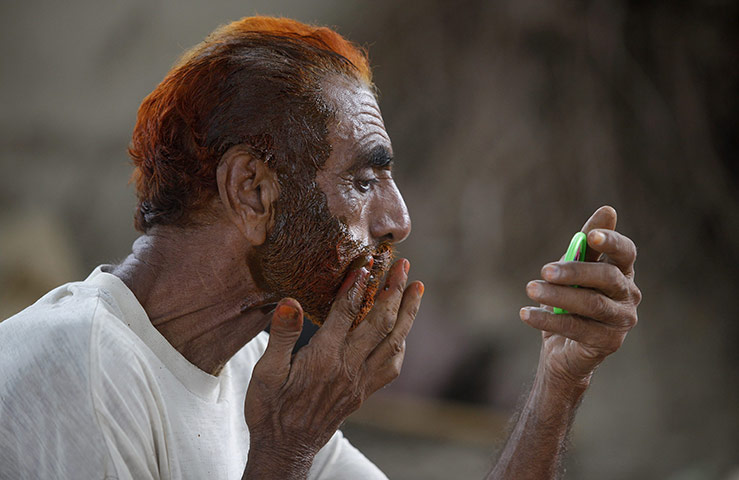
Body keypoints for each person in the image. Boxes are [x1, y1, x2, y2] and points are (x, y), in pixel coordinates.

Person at [0, 16, 641, 480]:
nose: (397, 220)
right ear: (251, 190)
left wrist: (559, 379)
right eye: (363, 181)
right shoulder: (80, 362)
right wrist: (284, 454)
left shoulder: (252, 364)